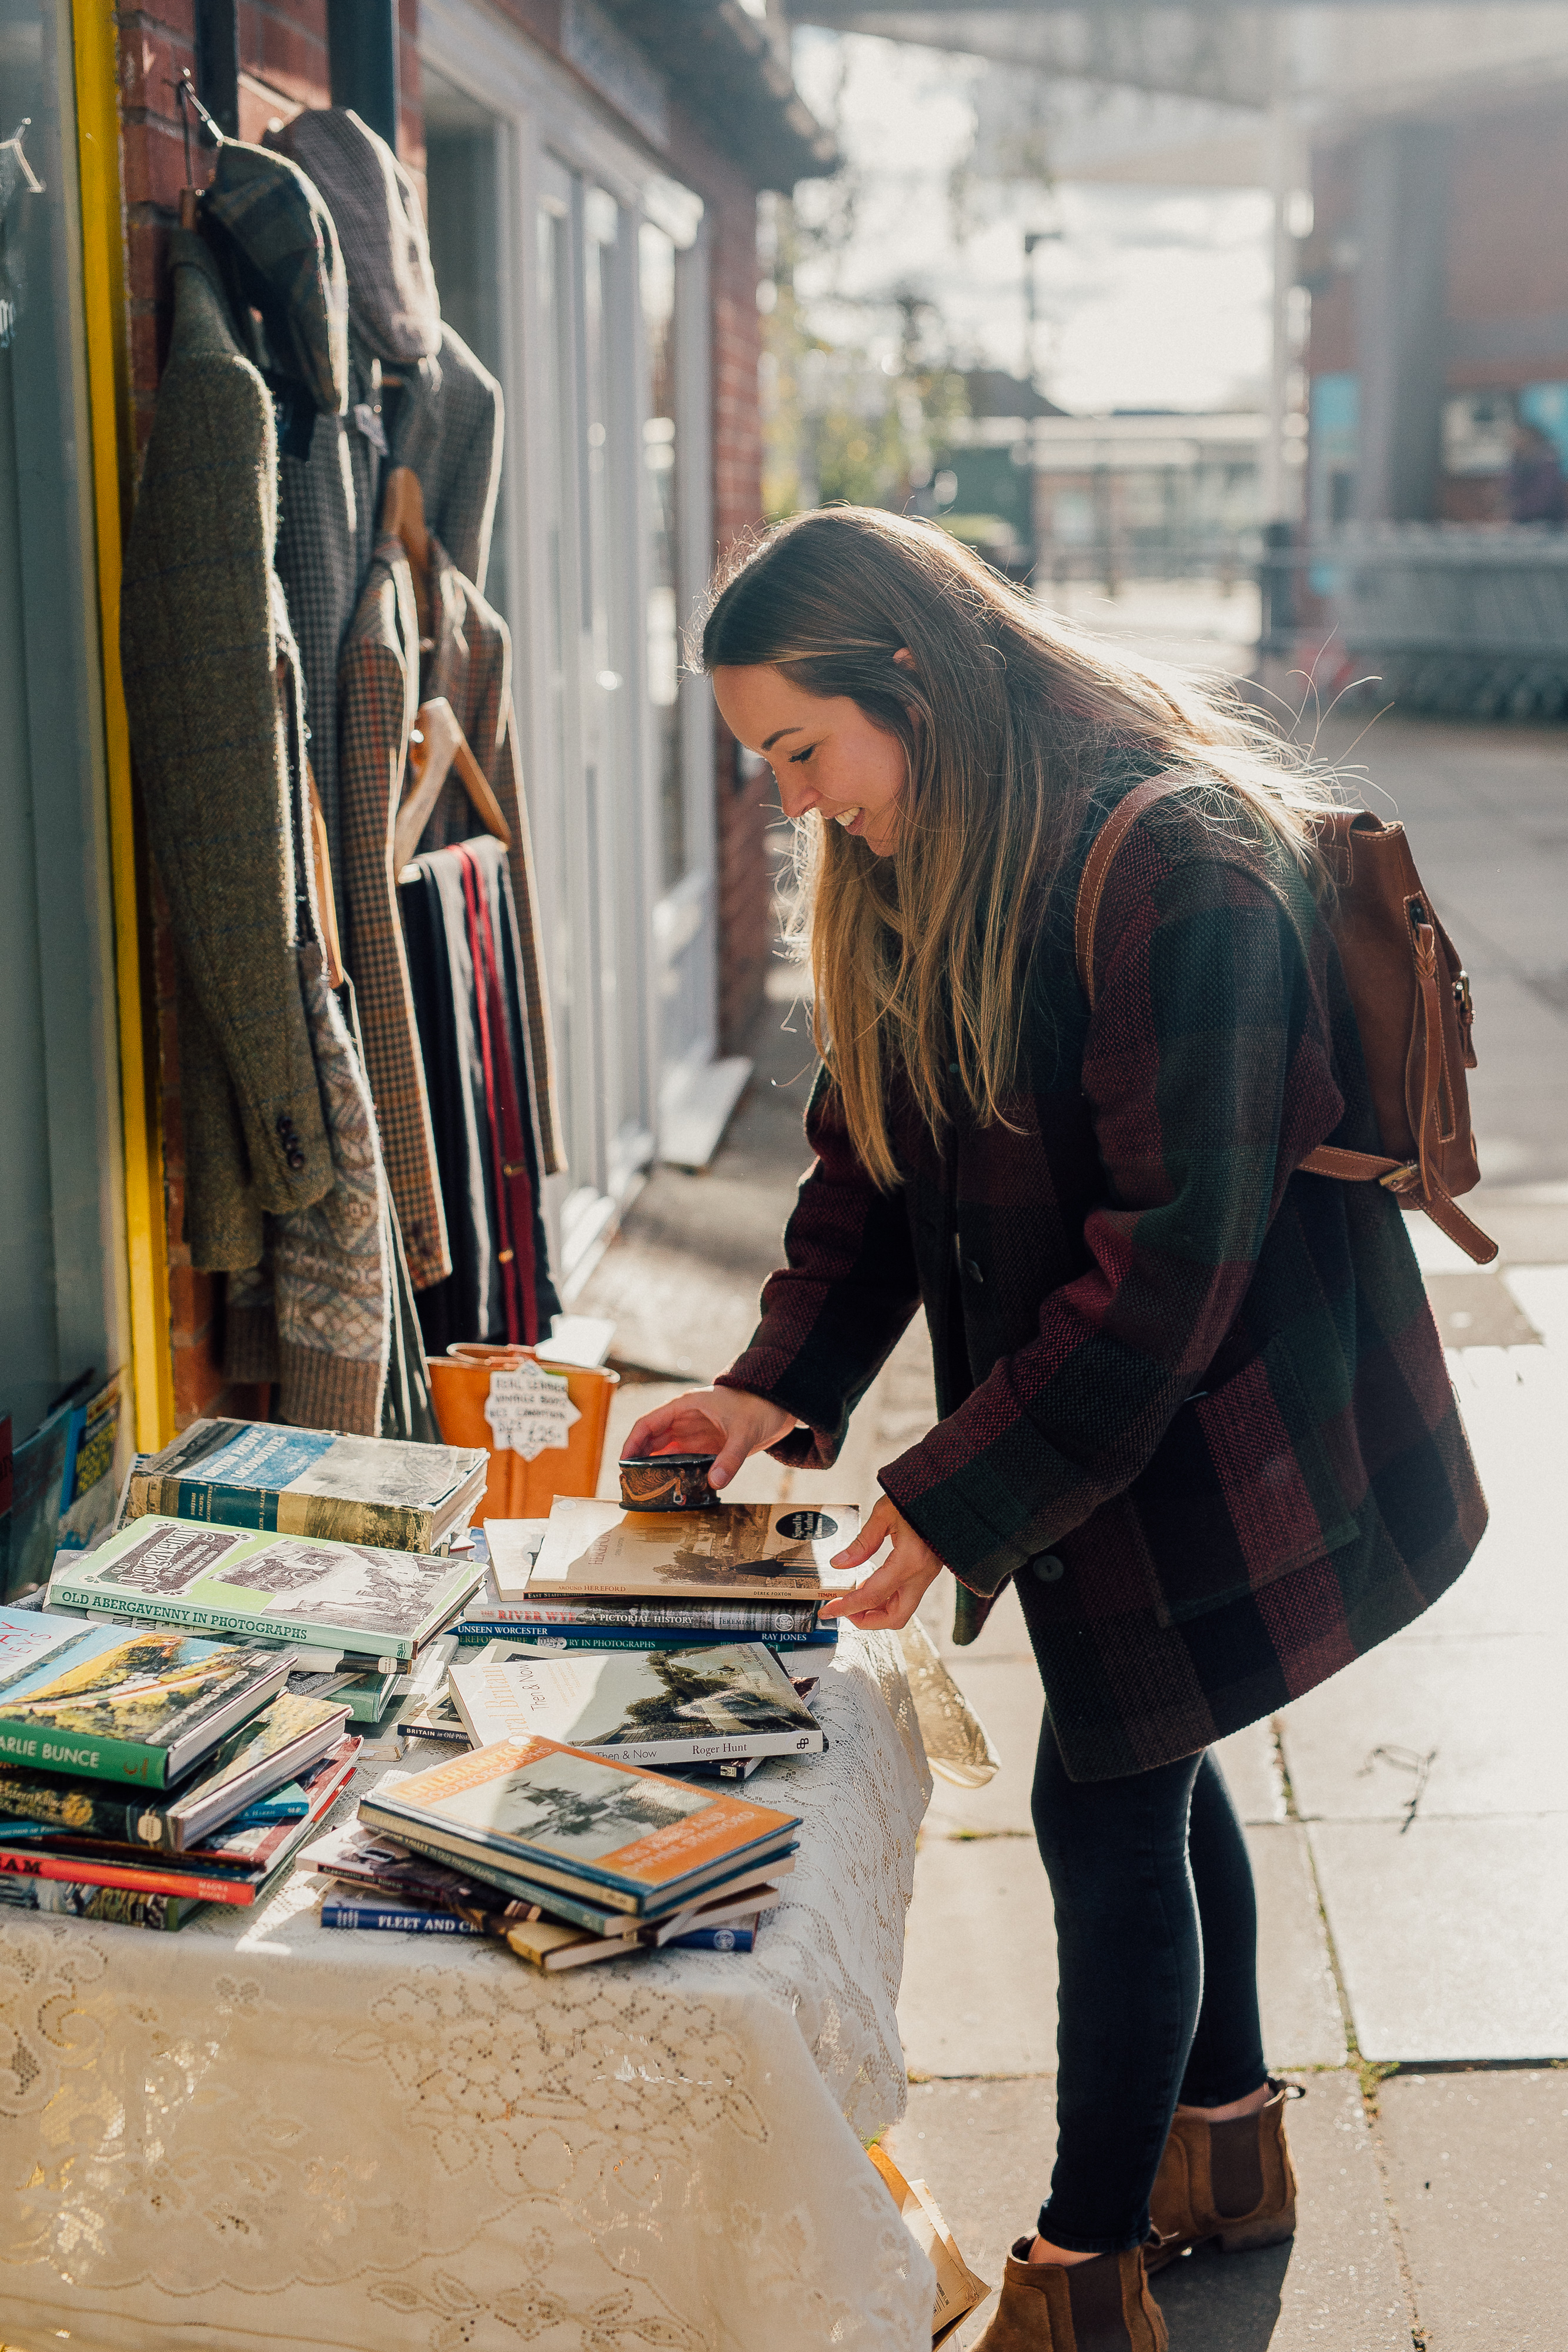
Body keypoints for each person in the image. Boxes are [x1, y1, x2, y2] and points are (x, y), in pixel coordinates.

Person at [624, 508, 1485, 2352]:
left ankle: (1083, 2274)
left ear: (908, 681)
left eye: (800, 750)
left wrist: (949, 1499)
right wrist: (775, 1378)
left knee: (1106, 1806)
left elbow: (1171, 1264)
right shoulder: (911, 844)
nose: (790, 803)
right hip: (1103, 1402)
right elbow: (872, 1154)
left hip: (1221, 1411)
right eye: (761, 762)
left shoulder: (1174, 858)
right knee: (1148, 1745)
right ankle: (1229, 2146)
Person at [1507, 420, 1567, 526]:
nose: (1516, 443)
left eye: (1520, 439)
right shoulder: (1518, 465)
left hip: (1550, 526)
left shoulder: (1547, 465)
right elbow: (1508, 494)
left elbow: (1542, 502)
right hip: (1523, 526)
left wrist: (1514, 510)